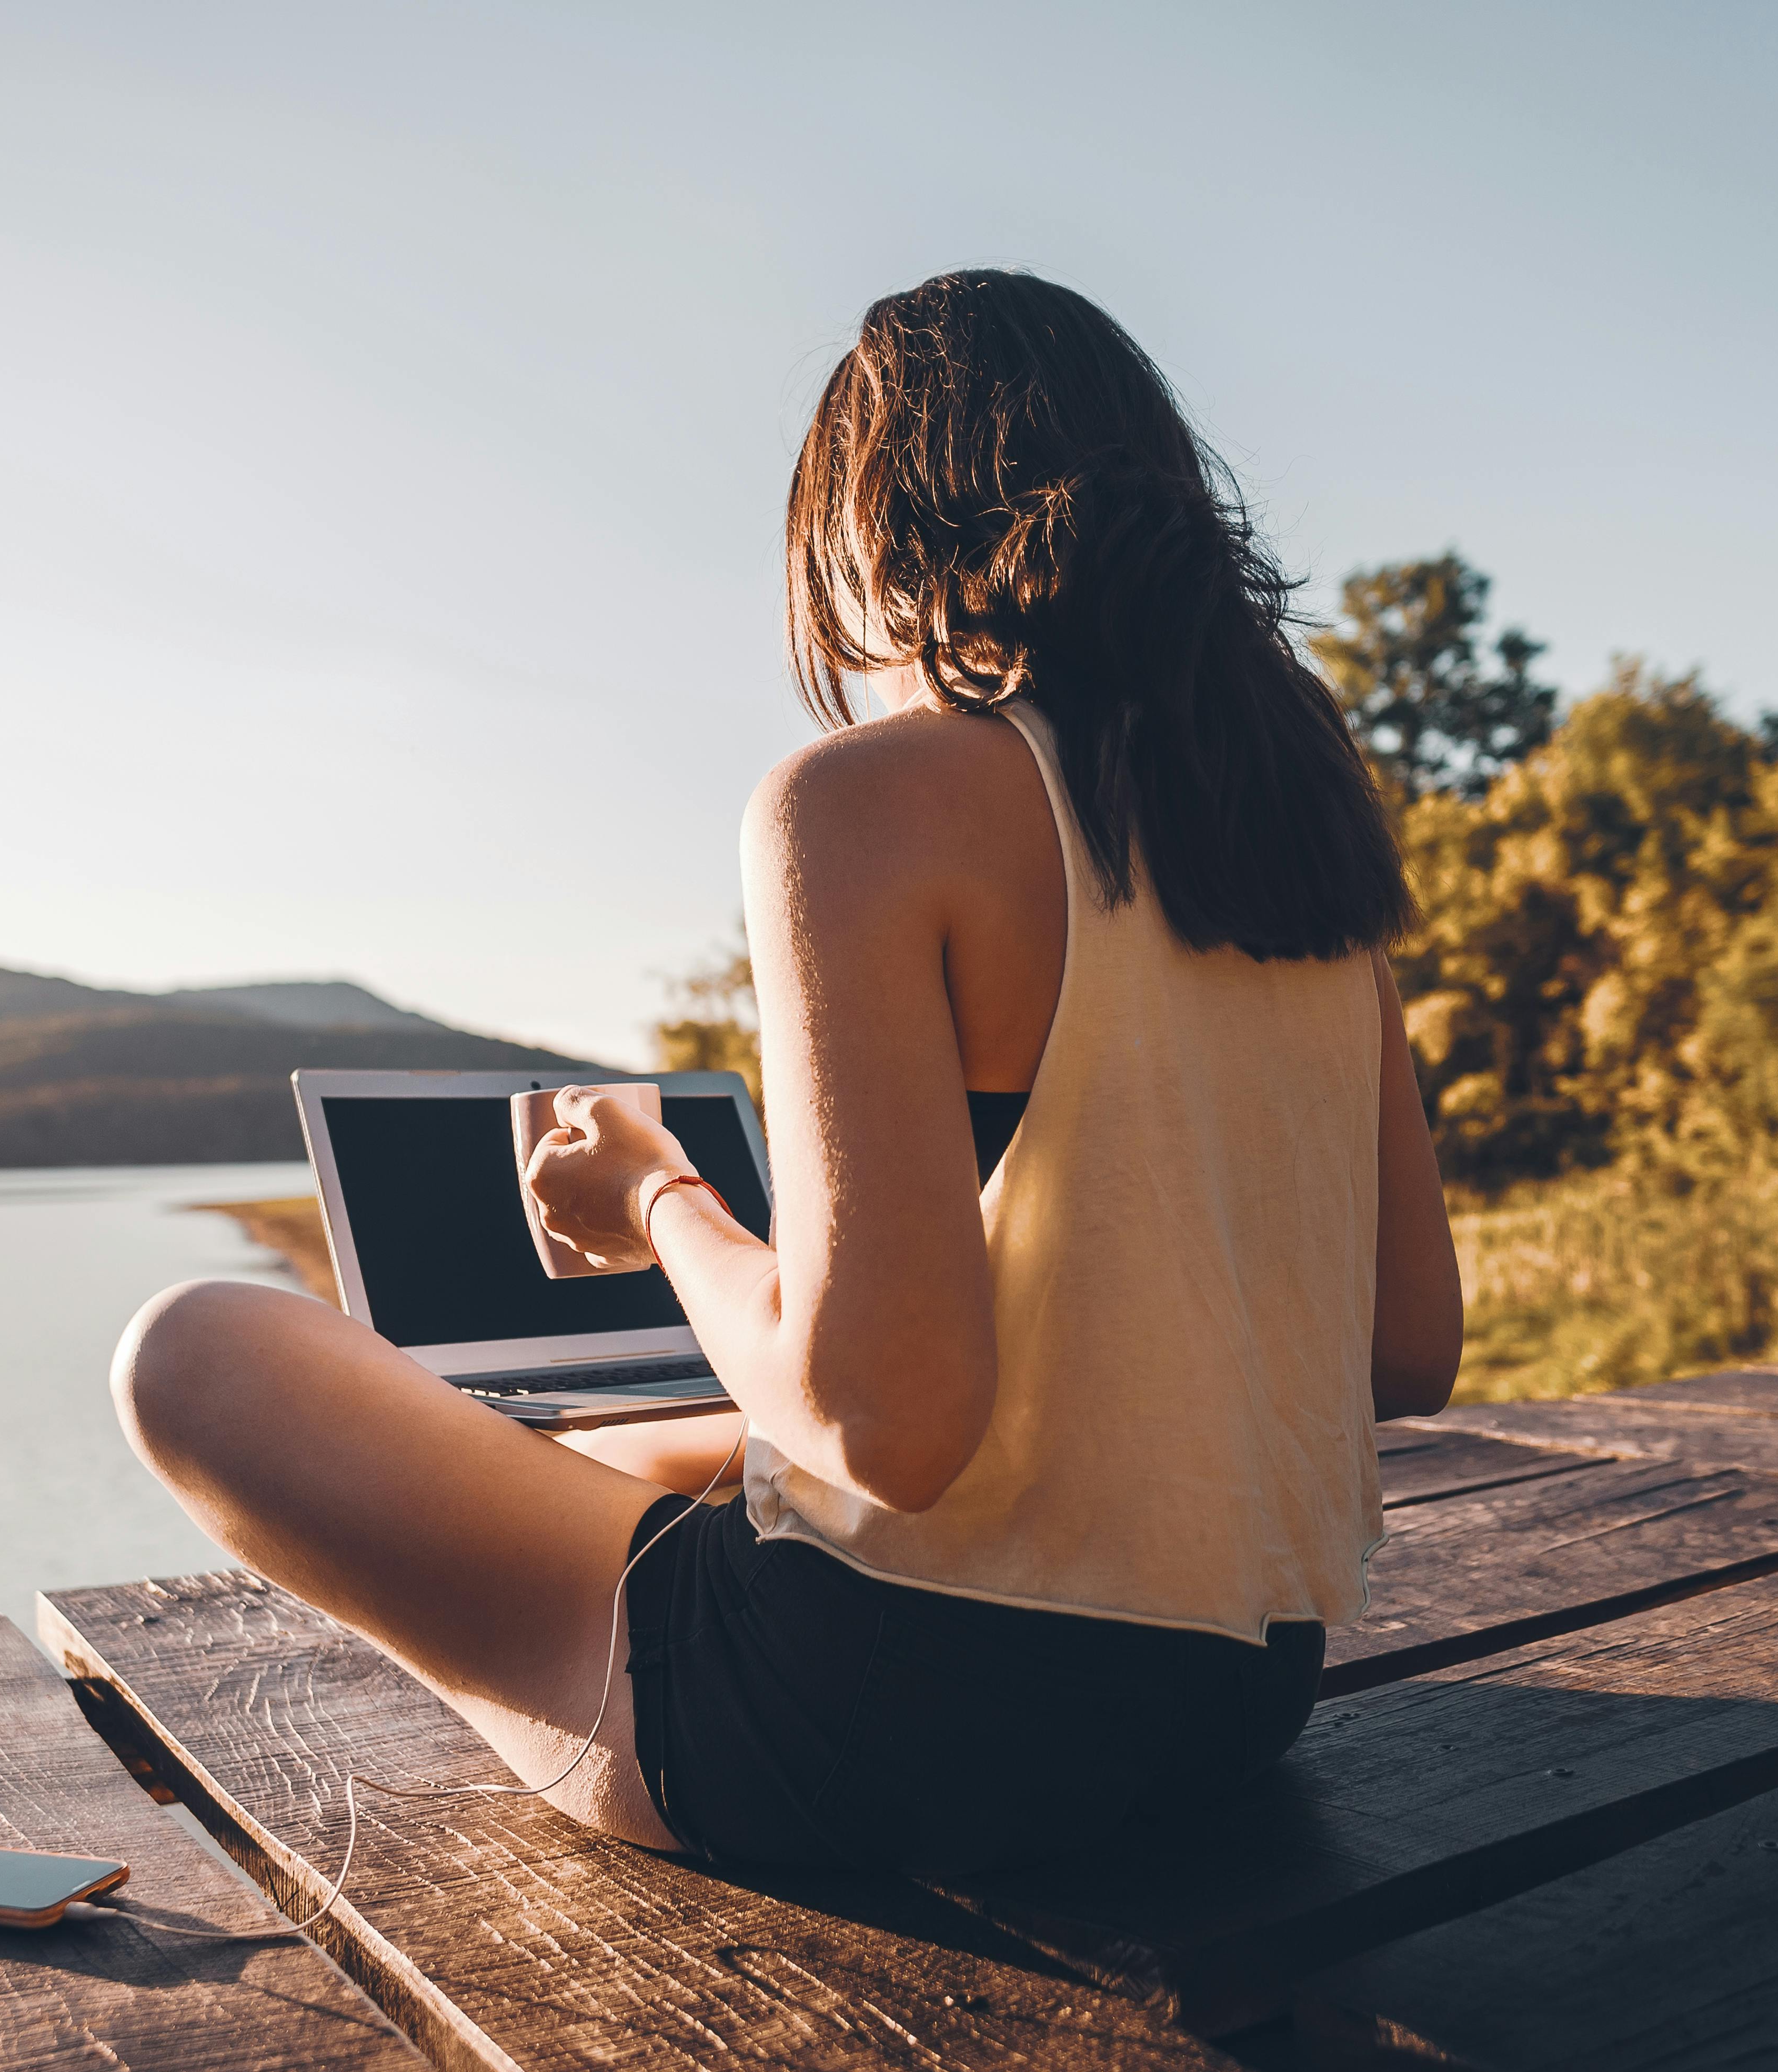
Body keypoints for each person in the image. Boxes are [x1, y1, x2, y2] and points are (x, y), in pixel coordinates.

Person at [112, 269, 1463, 1874]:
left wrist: (656, 1197)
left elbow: (885, 1424)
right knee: (625, 1456)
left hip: (878, 1727)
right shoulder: (1293, 833)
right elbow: (1407, 1346)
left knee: (192, 1351)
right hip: (1232, 1703)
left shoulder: (867, 803)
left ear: (870, 545)